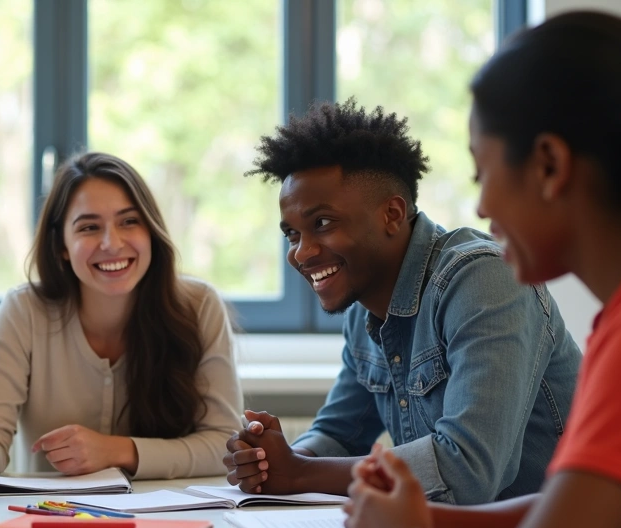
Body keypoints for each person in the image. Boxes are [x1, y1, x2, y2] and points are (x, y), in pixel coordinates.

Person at [344, 12, 621, 528]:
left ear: (548, 165)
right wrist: (424, 524)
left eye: (482, 171)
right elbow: (564, 514)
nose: (482, 206)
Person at [223, 99, 581, 505]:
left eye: (322, 223)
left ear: (392, 214)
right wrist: (273, 460)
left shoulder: (485, 279)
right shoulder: (363, 309)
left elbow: (468, 470)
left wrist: (299, 473)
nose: (301, 253)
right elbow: (339, 434)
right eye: (292, 234)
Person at [0, 152, 243, 488]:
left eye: (129, 221)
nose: (112, 243)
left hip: (171, 521)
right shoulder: (23, 310)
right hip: (52, 517)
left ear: (151, 231)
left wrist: (117, 451)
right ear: (61, 245)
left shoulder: (200, 306)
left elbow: (224, 443)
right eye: (89, 227)